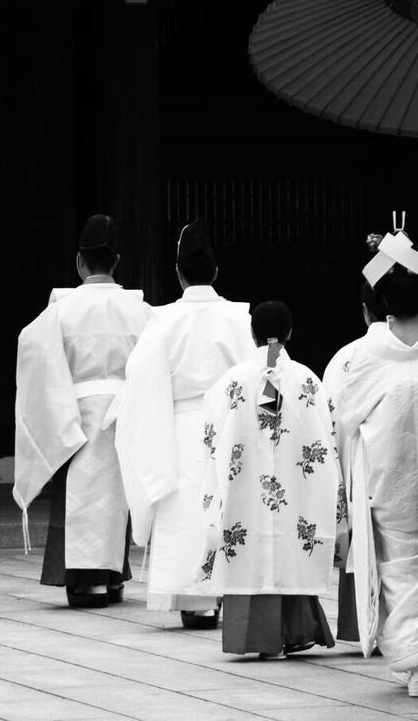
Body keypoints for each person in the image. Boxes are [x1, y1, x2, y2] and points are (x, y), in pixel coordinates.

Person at [336, 230, 418, 697]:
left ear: (383, 304)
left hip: (385, 478)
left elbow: (344, 421)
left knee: (394, 569)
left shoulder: (360, 356)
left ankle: (414, 664)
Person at [109, 220, 256, 628]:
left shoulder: (163, 322)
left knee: (187, 506)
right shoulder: (239, 318)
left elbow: (140, 381)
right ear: (216, 271)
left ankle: (194, 599)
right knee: (232, 504)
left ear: (177, 273)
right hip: (231, 426)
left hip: (181, 427)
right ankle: (233, 592)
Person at [14, 214, 151, 607]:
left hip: (74, 413)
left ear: (79, 261)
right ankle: (112, 576)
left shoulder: (62, 309)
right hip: (124, 412)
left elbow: (33, 347)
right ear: (117, 260)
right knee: (116, 500)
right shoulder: (141, 310)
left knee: (79, 497)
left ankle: (83, 580)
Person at [197, 301, 345, 658]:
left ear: (252, 333)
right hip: (295, 488)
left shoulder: (231, 381)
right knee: (291, 543)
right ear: (290, 332)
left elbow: (211, 437)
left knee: (246, 544)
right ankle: (293, 629)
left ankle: (259, 637)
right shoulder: (307, 380)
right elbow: (328, 439)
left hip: (245, 486)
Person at [323, 279, 386, 643]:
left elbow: (331, 422)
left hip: (358, 466)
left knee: (362, 535)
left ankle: (362, 625)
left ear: (364, 311)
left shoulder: (344, 358)